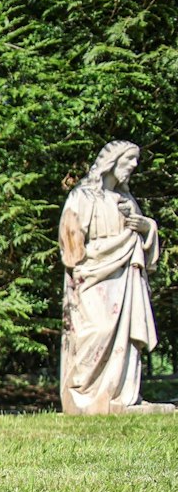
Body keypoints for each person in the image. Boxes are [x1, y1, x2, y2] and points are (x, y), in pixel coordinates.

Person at [59, 139, 169, 414]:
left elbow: (145, 242)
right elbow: (71, 244)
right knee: (95, 330)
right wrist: (104, 253)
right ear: (112, 161)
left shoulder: (126, 200)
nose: (133, 166)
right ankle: (84, 395)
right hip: (93, 276)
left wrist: (147, 227)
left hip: (125, 280)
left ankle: (120, 397)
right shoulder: (82, 197)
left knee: (124, 339)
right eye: (129, 159)